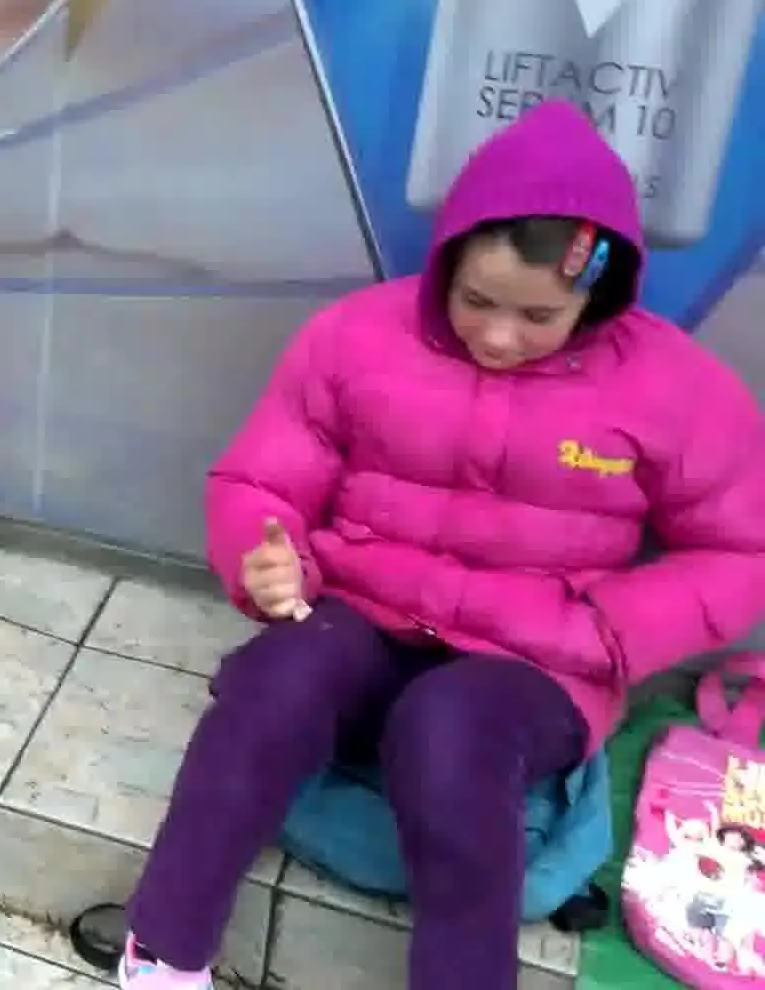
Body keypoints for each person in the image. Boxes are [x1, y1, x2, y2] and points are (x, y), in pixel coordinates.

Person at [114, 99, 765, 990]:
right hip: (363, 613)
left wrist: (610, 630)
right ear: (447, 263)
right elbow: (261, 481)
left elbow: (743, 550)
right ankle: (165, 948)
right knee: (273, 681)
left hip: (535, 664)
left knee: (449, 729)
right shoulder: (355, 338)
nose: (498, 335)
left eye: (538, 315)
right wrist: (267, 559)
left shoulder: (676, 391)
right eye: (477, 301)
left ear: (596, 293)